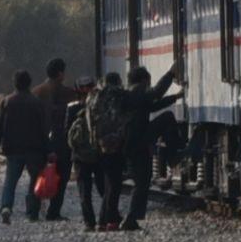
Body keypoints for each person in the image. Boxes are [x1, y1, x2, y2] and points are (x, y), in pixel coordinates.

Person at [119, 65, 185, 232]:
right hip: (138, 141)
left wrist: (175, 97)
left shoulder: (131, 96)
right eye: (148, 81)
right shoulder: (137, 92)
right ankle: (173, 157)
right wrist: (170, 74)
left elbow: (153, 106)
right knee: (168, 117)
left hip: (131, 143)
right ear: (142, 80)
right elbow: (156, 93)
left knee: (143, 180)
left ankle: (132, 218)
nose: (149, 85)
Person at [0, 69, 49, 224]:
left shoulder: (6, 102)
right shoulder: (37, 103)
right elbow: (44, 128)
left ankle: (6, 207)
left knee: (10, 180)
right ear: (29, 84)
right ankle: (32, 212)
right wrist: (48, 149)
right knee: (34, 180)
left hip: (13, 148)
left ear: (15, 84)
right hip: (34, 149)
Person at [78, 72, 130, 230]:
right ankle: (108, 221)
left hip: (99, 145)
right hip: (116, 144)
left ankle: (103, 221)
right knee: (113, 184)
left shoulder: (92, 97)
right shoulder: (119, 95)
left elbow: (89, 121)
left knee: (109, 184)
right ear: (118, 82)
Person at [30, 57, 73, 222]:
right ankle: (53, 212)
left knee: (37, 176)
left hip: (38, 142)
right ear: (61, 74)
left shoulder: (36, 92)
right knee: (61, 177)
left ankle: (33, 212)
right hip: (60, 141)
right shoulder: (68, 93)